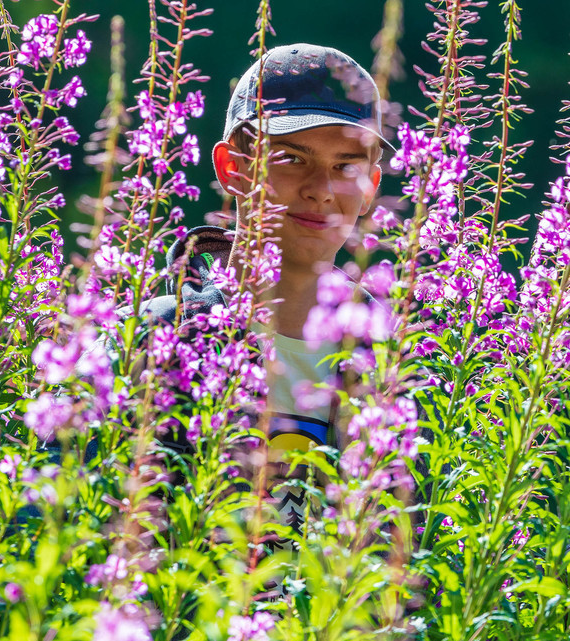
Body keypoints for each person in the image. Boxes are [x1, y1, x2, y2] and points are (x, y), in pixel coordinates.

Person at [140, 43, 388, 524]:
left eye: (347, 166)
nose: (321, 189)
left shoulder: (390, 372)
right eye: (292, 158)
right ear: (233, 168)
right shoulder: (155, 341)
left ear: (371, 187)